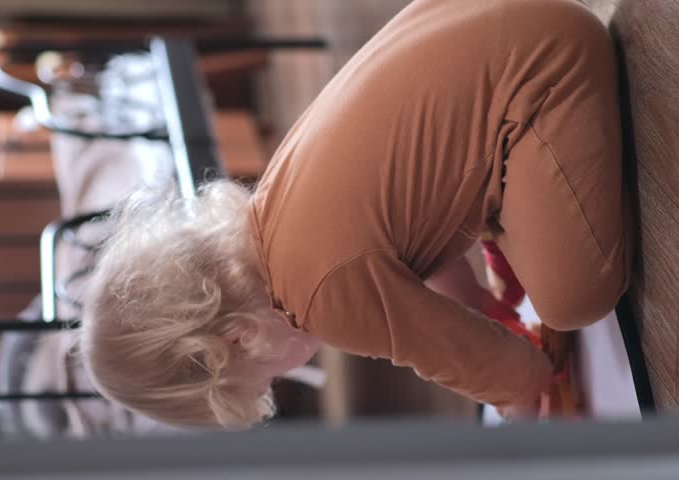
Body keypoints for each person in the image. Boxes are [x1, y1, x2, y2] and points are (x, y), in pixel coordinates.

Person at [79, 0, 632, 429]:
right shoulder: (275, 206)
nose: (289, 373)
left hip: (550, 69)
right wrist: (480, 304)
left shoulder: (320, 299)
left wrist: (517, 394)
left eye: (268, 380)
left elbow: (469, 357)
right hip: (501, 24)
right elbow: (418, 258)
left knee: (572, 299)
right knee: (486, 227)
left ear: (243, 340)